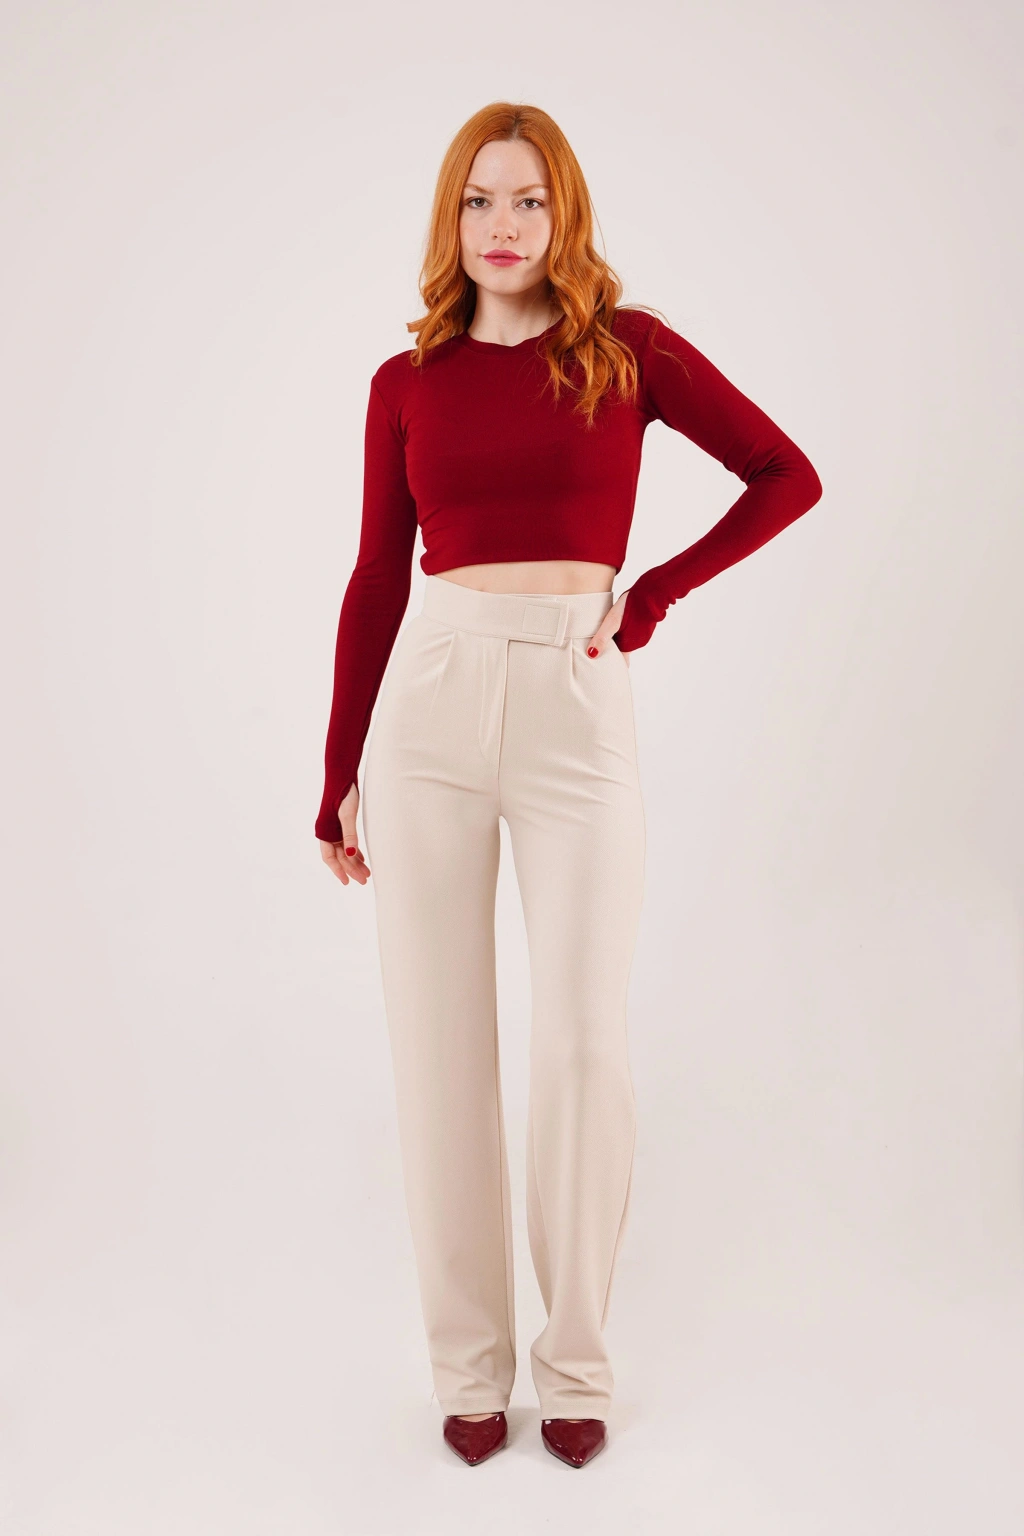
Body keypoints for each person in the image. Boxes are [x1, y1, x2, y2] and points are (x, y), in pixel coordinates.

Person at [315, 101, 822, 1470]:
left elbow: (785, 475)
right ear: (451, 217)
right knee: (440, 1050)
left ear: (566, 214)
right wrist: (338, 766)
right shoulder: (406, 382)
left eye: (529, 200)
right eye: (479, 200)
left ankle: (578, 1361)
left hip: (574, 701)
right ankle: (468, 1367)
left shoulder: (627, 351)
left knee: (582, 1045)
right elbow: (376, 576)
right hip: (429, 710)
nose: (503, 226)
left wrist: (648, 598)